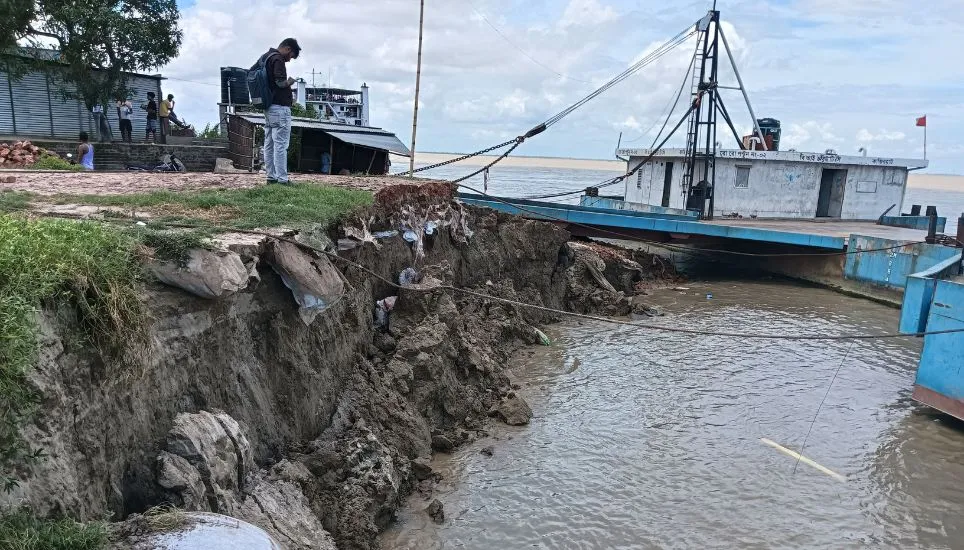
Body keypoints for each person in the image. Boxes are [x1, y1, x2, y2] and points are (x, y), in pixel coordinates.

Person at [254, 37, 300, 185]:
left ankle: (271, 177)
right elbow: (280, 83)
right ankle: (282, 179)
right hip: (280, 108)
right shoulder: (278, 59)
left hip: (268, 107)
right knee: (281, 145)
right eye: (291, 55)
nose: (289, 59)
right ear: (287, 48)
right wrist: (291, 82)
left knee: (269, 144)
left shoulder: (265, 57)